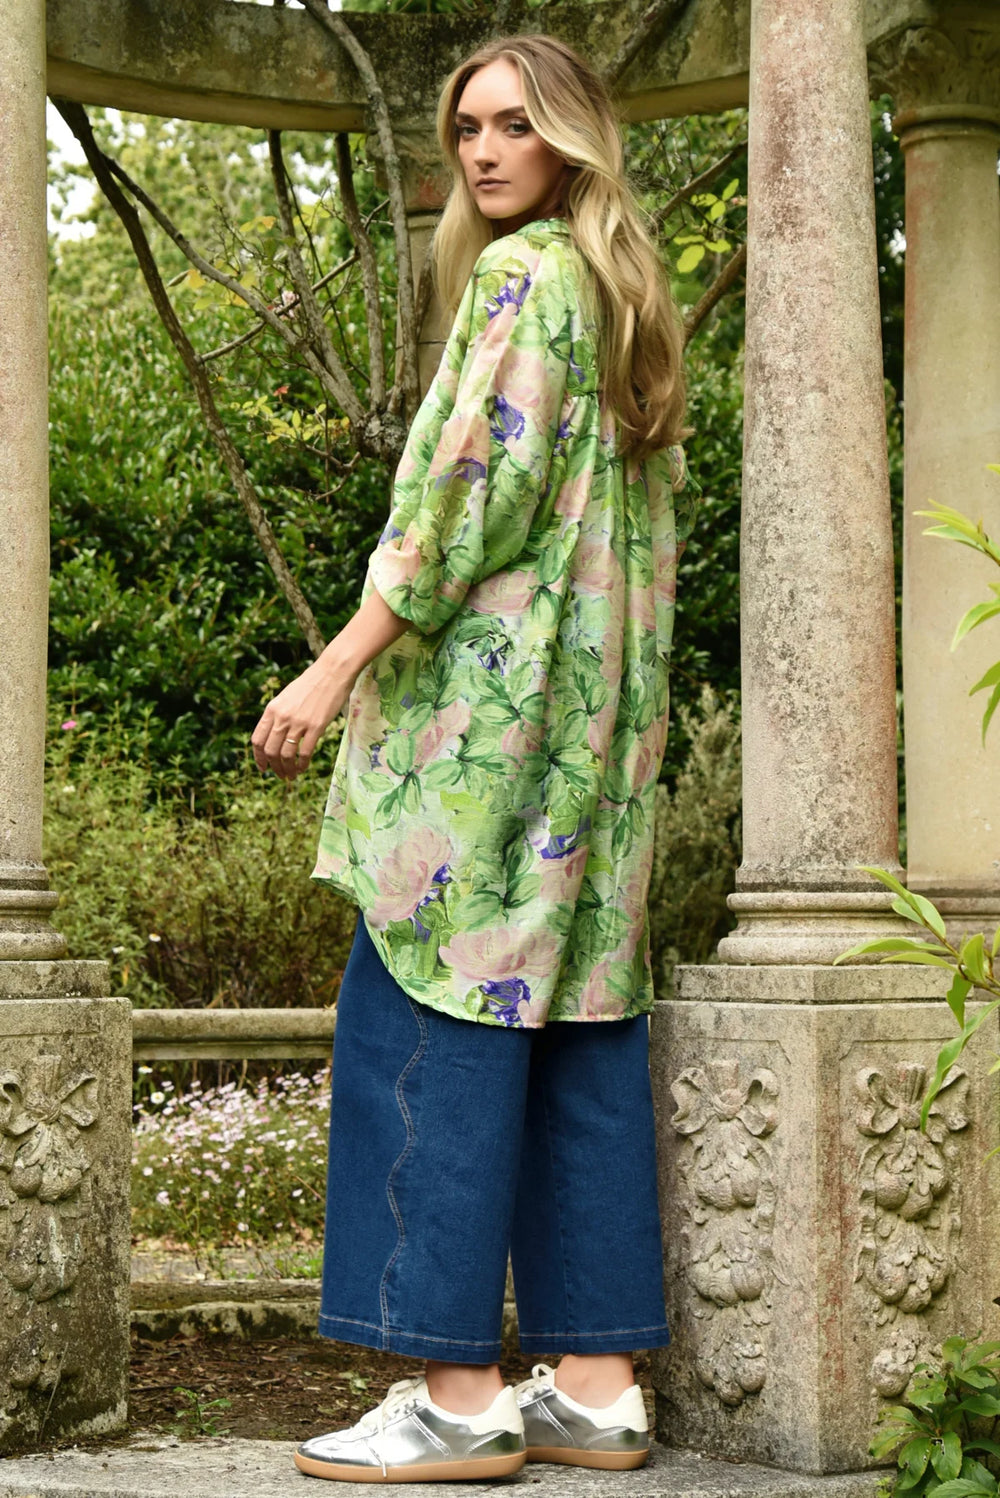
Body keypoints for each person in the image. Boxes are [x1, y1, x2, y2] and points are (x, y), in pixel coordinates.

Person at [251, 32, 700, 1486]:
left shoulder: (522, 280)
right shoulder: (625, 301)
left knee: (418, 1020)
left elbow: (459, 505)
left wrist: (334, 663)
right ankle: (597, 1387)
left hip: (482, 745)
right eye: (467, 129)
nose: (485, 151)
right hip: (593, 747)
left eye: (514, 124)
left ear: (570, 136)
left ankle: (455, 1396)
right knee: (577, 1024)